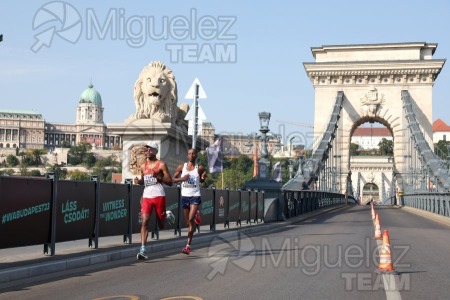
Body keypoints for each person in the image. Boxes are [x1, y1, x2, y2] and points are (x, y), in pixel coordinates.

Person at [134, 141, 174, 260]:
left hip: (158, 196)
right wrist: (138, 182)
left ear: (155, 151)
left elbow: (170, 182)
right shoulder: (143, 166)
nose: (147, 151)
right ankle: (142, 249)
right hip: (147, 196)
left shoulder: (161, 165)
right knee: (144, 221)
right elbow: (144, 180)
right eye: (146, 149)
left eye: (150, 149)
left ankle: (167, 215)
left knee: (161, 225)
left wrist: (159, 177)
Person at [173, 148, 206, 255]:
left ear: (196, 155)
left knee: (191, 218)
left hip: (195, 196)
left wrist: (203, 178)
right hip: (185, 196)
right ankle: (188, 246)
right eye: (190, 154)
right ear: (187, 156)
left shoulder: (199, 168)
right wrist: (183, 179)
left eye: (193, 153)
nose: (191, 155)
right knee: (189, 223)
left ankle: (188, 246)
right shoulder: (182, 167)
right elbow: (174, 179)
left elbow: (201, 180)